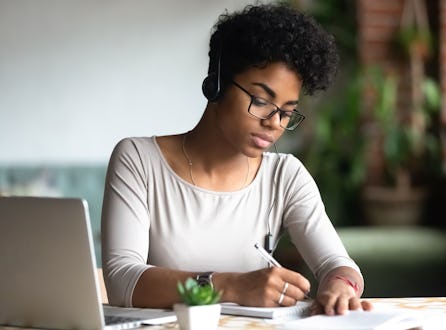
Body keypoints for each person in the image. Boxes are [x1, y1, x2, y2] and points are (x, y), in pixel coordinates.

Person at [101, 3, 372, 316]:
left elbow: (338, 265)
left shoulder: (285, 177)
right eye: (260, 100)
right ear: (217, 83)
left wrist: (340, 285)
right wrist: (232, 286)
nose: (274, 122)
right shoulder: (139, 161)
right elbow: (122, 282)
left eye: (287, 111)